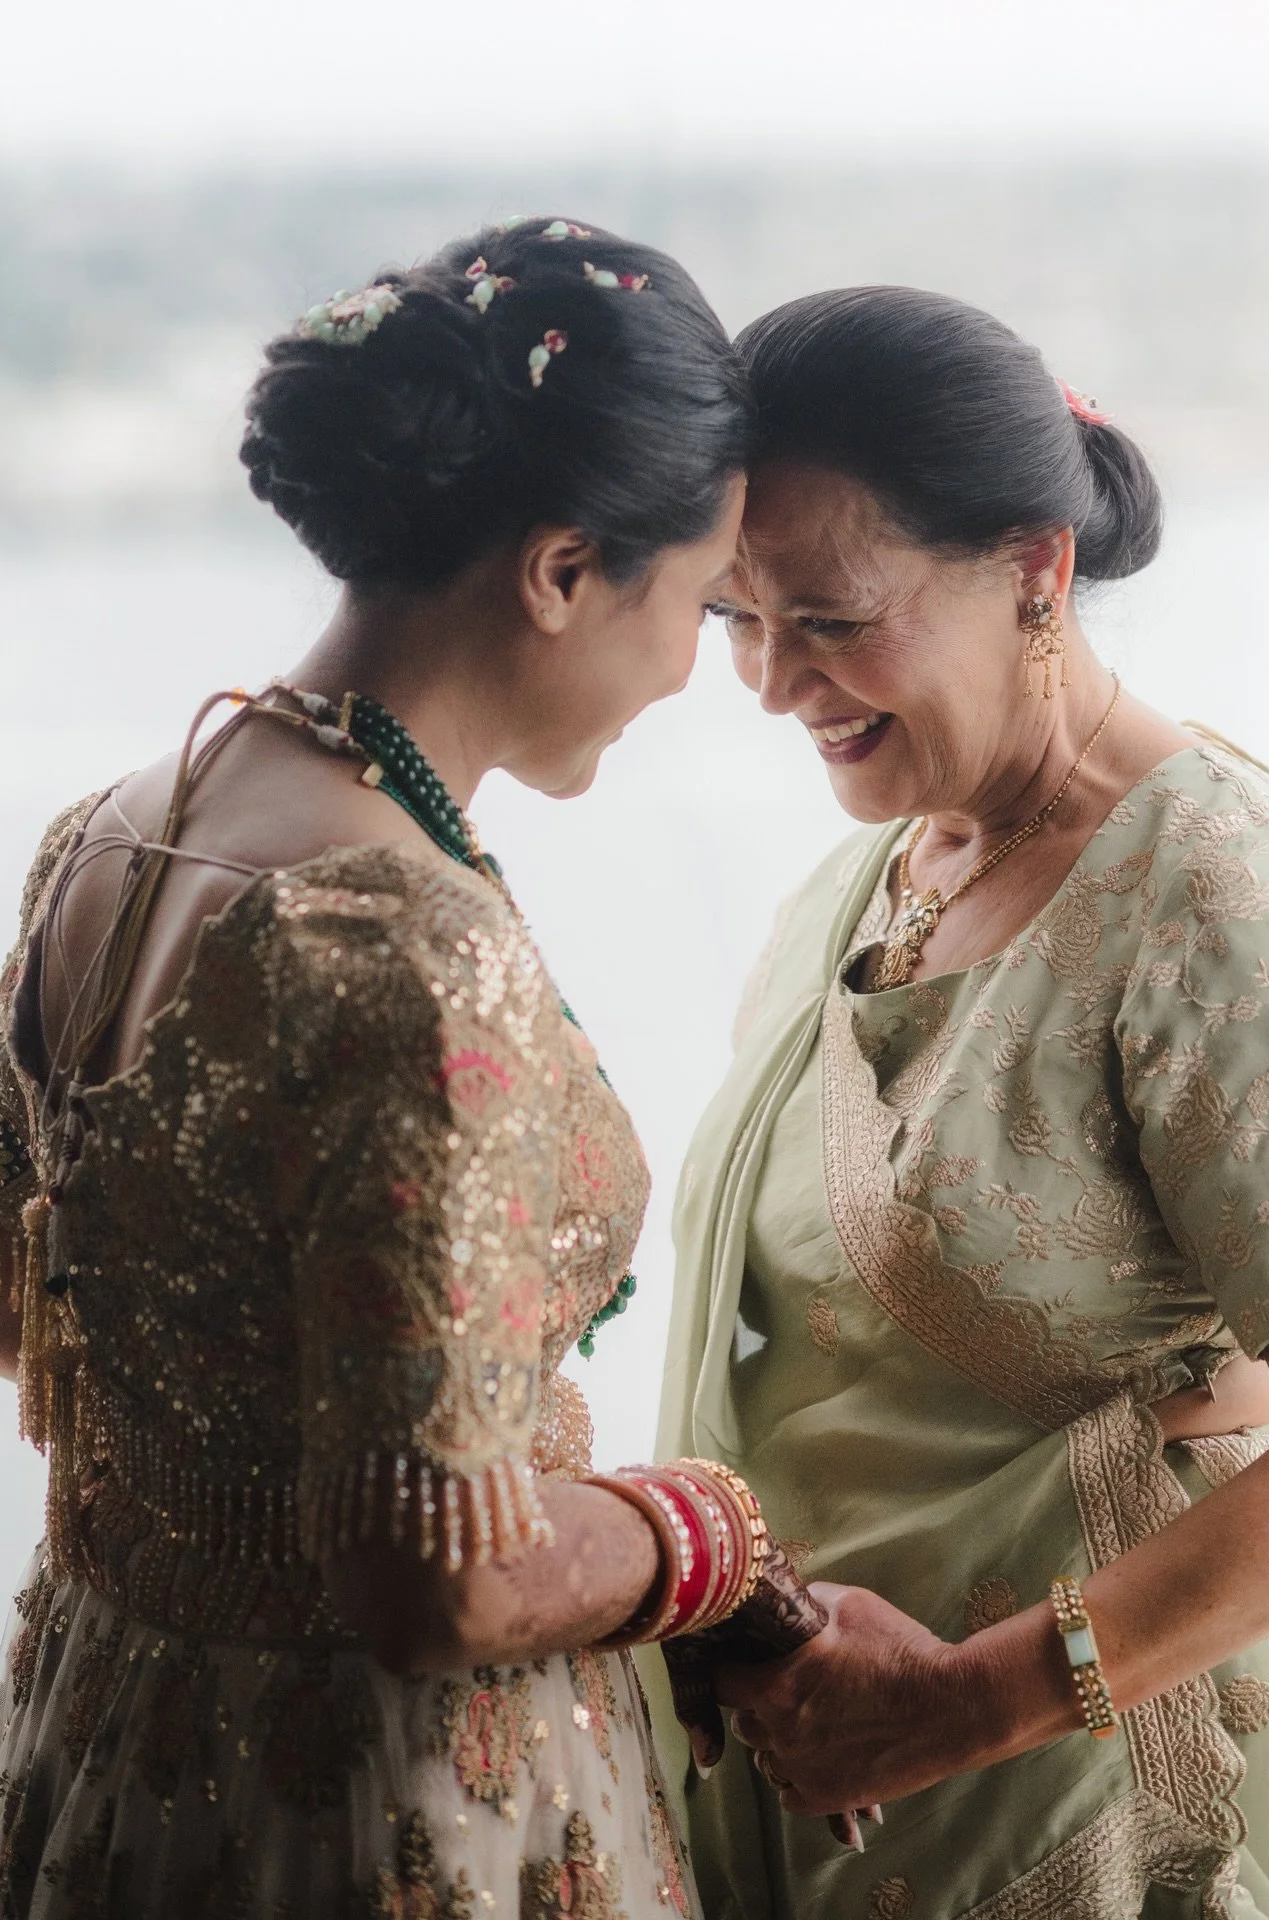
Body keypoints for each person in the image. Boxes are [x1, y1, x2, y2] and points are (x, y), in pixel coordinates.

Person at [0, 215, 798, 1918]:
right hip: (380, 1801)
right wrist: (710, 1537)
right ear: (565, 569)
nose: (693, 670)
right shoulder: (400, 943)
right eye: (702, 601)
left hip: (130, 1734)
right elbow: (444, 1584)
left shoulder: (116, 832)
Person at [652, 286, 1269, 1919]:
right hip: (847, 1788)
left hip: (1122, 1798)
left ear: (1035, 567)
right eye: (737, 616)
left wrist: (967, 1704)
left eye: (830, 618)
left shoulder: (1217, 893)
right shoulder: (884, 868)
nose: (772, 681)